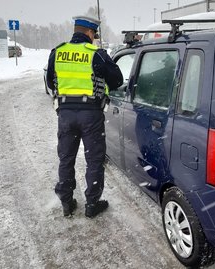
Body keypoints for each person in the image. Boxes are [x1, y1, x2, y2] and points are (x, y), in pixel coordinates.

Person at [46, 15, 123, 218]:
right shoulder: (96, 54)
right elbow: (117, 80)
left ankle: (66, 202)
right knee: (94, 159)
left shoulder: (58, 52)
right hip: (91, 114)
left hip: (65, 114)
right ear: (89, 33)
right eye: (94, 34)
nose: (95, 38)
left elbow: (51, 83)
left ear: (75, 31)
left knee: (66, 158)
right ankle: (92, 204)